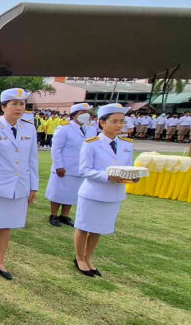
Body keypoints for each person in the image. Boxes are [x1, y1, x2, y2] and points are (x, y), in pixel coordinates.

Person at [0, 88, 39, 281]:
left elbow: (32, 159)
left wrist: (33, 186)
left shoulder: (29, 127)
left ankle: (0, 260)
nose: (19, 108)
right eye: (14, 104)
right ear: (3, 107)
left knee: (7, 225)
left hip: (18, 186)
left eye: (22, 104)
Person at [73, 103, 136, 277]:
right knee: (84, 226)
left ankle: (88, 257)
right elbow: (84, 170)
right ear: (102, 123)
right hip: (93, 192)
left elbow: (128, 166)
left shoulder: (127, 144)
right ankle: (79, 258)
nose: (118, 125)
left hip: (113, 193)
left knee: (98, 228)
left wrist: (132, 176)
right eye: (114, 121)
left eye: (121, 121)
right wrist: (107, 176)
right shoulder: (91, 143)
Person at [46, 102, 91, 227]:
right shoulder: (64, 128)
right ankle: (53, 214)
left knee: (72, 192)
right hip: (64, 166)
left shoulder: (89, 128)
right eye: (83, 113)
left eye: (87, 113)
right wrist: (58, 166)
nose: (86, 116)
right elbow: (56, 148)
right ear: (74, 115)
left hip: (79, 167)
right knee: (58, 192)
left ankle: (64, 215)